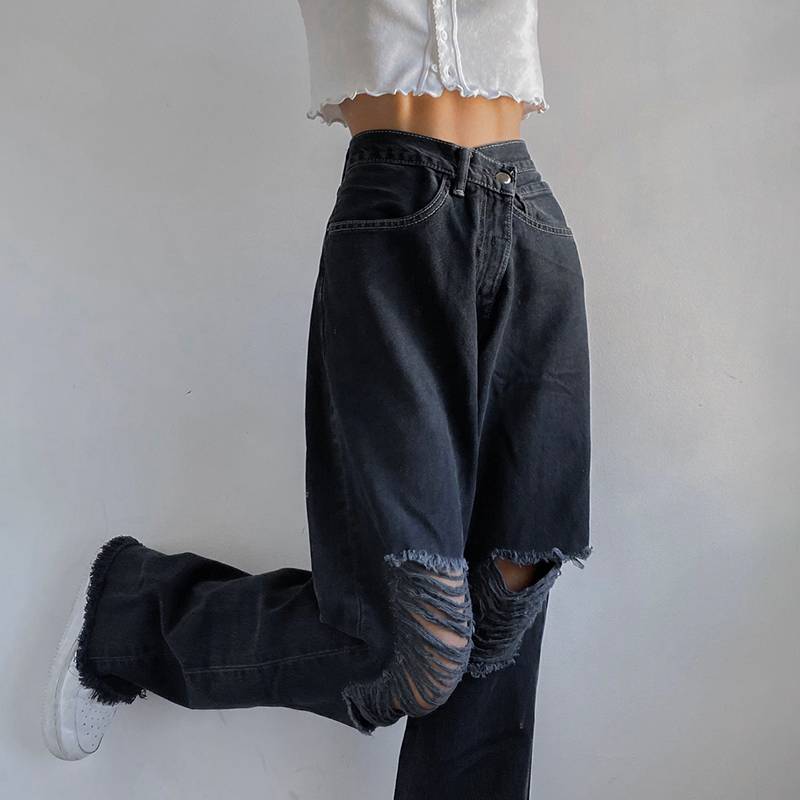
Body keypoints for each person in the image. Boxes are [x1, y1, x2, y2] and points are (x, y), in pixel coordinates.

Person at [42, 2, 593, 797]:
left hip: (531, 217)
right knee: (420, 645)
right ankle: (134, 614)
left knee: (513, 591)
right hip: (400, 212)